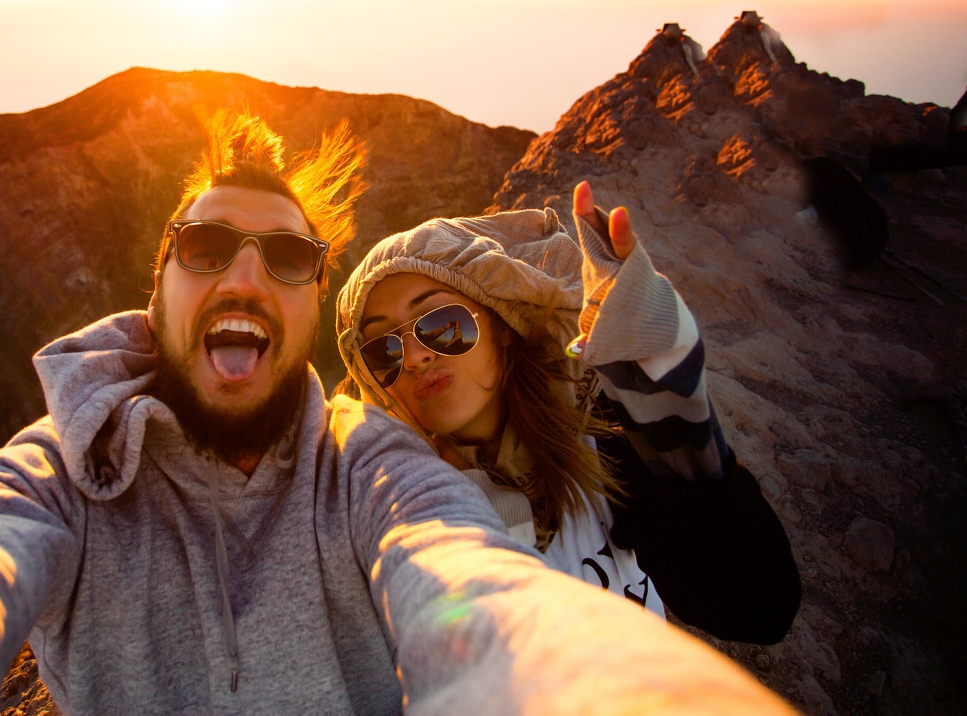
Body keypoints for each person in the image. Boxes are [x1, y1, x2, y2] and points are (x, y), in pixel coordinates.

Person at [0, 113, 796, 715]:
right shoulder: (56, 473)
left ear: (306, 308)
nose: (243, 275)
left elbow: (474, 585)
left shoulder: (367, 465)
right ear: (157, 284)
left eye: (285, 256)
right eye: (206, 248)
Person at [335, 184, 800, 644]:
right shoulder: (400, 513)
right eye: (384, 351)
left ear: (502, 324)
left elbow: (758, 610)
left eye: (441, 324)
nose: (414, 357)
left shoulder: (602, 442)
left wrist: (669, 410)